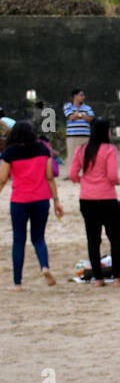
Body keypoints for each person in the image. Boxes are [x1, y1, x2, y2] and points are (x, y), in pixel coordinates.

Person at [1, 118, 62, 288]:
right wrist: (56, 201)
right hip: (42, 199)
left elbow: (2, 179)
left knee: (19, 240)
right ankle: (44, 266)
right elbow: (50, 177)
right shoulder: (43, 149)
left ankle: (17, 283)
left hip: (20, 200)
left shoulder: (10, 152)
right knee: (39, 238)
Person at [69, 118, 120, 286]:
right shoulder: (110, 149)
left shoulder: (81, 150)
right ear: (106, 132)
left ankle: (98, 279)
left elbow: (72, 174)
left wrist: (85, 181)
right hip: (107, 198)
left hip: (87, 199)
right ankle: (116, 277)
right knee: (115, 238)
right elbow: (112, 176)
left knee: (93, 239)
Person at [63, 89, 94, 164]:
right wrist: (83, 116)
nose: (83, 97)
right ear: (75, 96)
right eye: (81, 95)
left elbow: (90, 119)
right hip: (72, 136)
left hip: (85, 137)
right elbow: (71, 117)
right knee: (72, 158)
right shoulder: (68, 106)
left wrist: (78, 115)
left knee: (86, 158)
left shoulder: (88, 108)